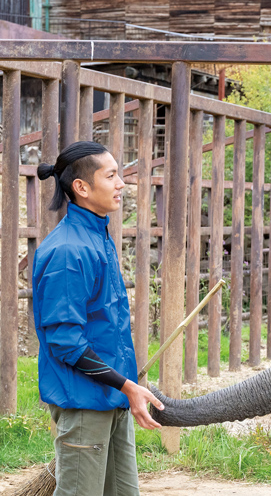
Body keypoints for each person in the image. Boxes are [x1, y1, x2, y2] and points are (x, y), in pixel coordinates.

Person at [33, 141, 164, 496]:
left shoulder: (97, 237)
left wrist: (125, 387)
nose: (121, 183)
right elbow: (66, 342)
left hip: (112, 397)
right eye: (111, 175)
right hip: (83, 404)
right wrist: (126, 385)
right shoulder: (67, 252)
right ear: (82, 188)